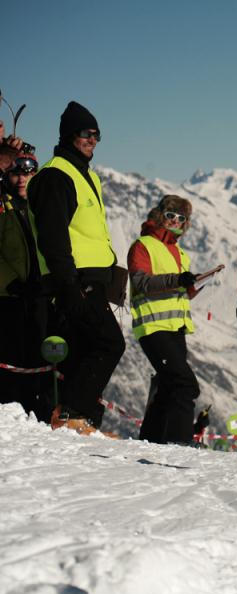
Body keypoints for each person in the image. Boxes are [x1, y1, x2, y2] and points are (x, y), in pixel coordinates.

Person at [26, 101, 125, 435]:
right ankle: (70, 414)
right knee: (109, 344)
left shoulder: (86, 175)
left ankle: (77, 421)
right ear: (70, 135)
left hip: (91, 280)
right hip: (75, 280)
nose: (93, 140)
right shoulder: (56, 176)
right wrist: (69, 286)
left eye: (97, 134)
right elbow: (53, 238)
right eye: (86, 133)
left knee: (84, 350)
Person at [128, 195, 205, 445]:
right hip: (152, 326)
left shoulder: (180, 253)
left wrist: (192, 287)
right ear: (161, 215)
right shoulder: (143, 245)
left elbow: (177, 291)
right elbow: (141, 283)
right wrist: (177, 280)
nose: (176, 222)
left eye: (182, 219)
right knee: (185, 385)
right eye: (171, 215)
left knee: (169, 386)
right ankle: (180, 443)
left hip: (176, 328)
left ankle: (151, 440)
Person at [0, 148, 47, 417]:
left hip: (38, 294)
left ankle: (35, 408)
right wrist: (12, 283)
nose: (22, 179)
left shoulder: (39, 208)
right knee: (12, 356)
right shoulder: (3, 206)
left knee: (36, 354)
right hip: (9, 296)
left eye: (29, 173)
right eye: (17, 173)